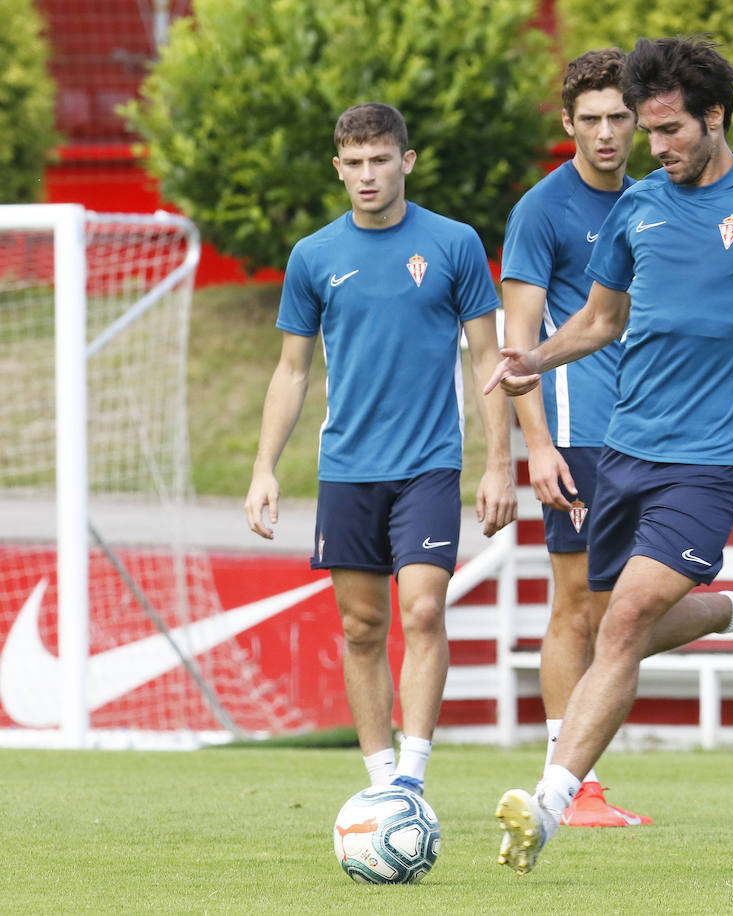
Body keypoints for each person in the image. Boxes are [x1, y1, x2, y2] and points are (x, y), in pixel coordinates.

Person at [485, 36, 733, 874]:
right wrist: (533, 361)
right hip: (625, 449)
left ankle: (549, 807)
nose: (655, 150)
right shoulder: (637, 208)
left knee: (618, 626)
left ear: (713, 117)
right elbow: (601, 321)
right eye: (648, 133)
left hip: (711, 456)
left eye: (668, 131)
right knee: (615, 620)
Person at [244, 102, 518, 797]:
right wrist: (263, 469)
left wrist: (498, 464)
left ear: (407, 161)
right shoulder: (313, 257)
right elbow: (293, 370)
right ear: (338, 169)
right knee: (362, 626)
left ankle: (412, 782)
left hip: (429, 465)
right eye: (354, 164)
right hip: (348, 469)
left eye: (380, 160)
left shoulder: (454, 245)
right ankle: (377, 782)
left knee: (424, 609)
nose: (368, 175)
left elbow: (487, 359)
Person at [500, 48, 651, 828]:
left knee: (635, 605)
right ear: (567, 123)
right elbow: (517, 340)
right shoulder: (541, 211)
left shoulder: (655, 198)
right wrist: (538, 443)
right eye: (589, 119)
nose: (604, 133)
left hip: (653, 432)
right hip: (578, 433)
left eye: (618, 117)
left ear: (638, 119)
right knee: (579, 608)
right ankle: (573, 782)